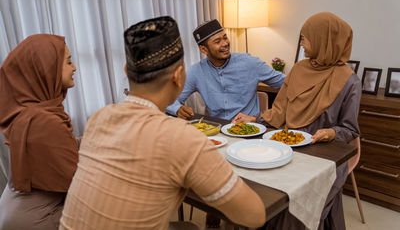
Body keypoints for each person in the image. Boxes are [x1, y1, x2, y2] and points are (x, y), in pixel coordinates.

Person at [59, 16, 266, 230]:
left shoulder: (98, 119)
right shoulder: (183, 138)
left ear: (126, 71)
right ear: (179, 76)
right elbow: (255, 216)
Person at [233, 12, 362, 230]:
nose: (301, 42)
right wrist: (254, 120)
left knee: (292, 213)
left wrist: (331, 133)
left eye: (306, 37)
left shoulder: (349, 81)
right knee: (259, 198)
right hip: (284, 149)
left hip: (323, 156)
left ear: (323, 40)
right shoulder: (299, 69)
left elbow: (349, 129)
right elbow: (280, 110)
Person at [0, 34, 79, 229]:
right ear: (46, 70)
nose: (74, 67)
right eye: (68, 62)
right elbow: (80, 184)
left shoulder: (29, 111)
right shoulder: (44, 123)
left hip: (15, 210)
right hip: (37, 220)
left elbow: (63, 147)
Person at [166, 19, 286, 121]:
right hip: (218, 132)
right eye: (217, 41)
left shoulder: (250, 63)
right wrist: (177, 109)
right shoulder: (196, 71)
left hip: (250, 132)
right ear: (204, 49)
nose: (225, 43)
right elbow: (169, 99)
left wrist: (272, 114)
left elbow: (287, 83)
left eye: (225, 38)